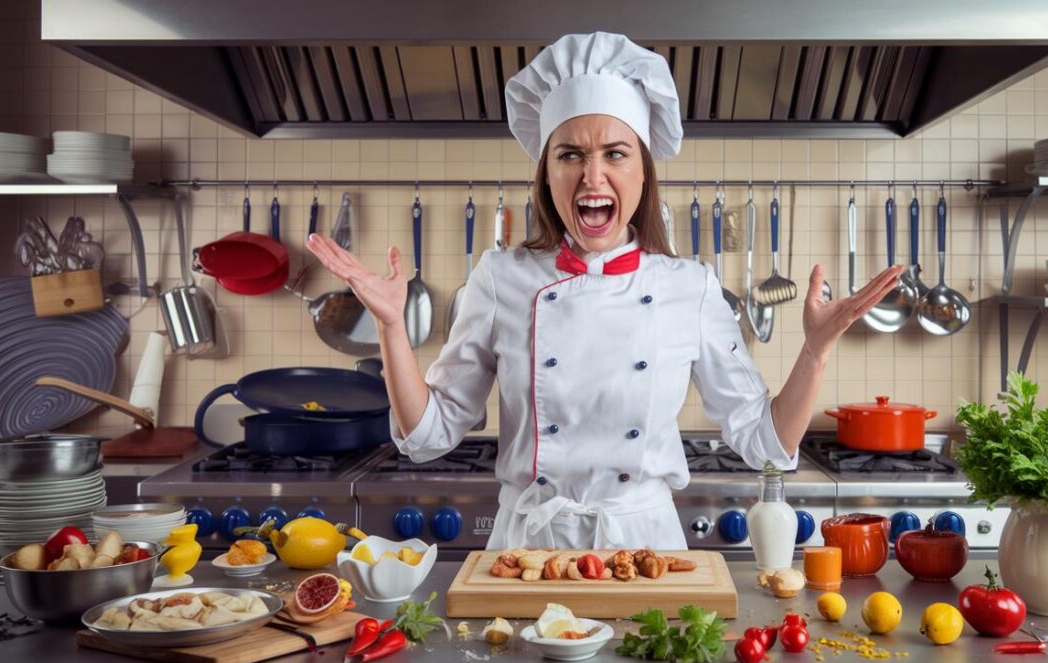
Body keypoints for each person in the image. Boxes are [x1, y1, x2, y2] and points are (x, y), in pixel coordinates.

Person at [306, 32, 901, 550]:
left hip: (644, 544)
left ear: (642, 173)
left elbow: (765, 443)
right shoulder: (499, 277)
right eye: (571, 155)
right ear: (548, 175)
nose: (594, 176)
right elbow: (428, 437)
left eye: (615, 154)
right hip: (529, 548)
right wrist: (389, 327)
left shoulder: (689, 287)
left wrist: (815, 352)